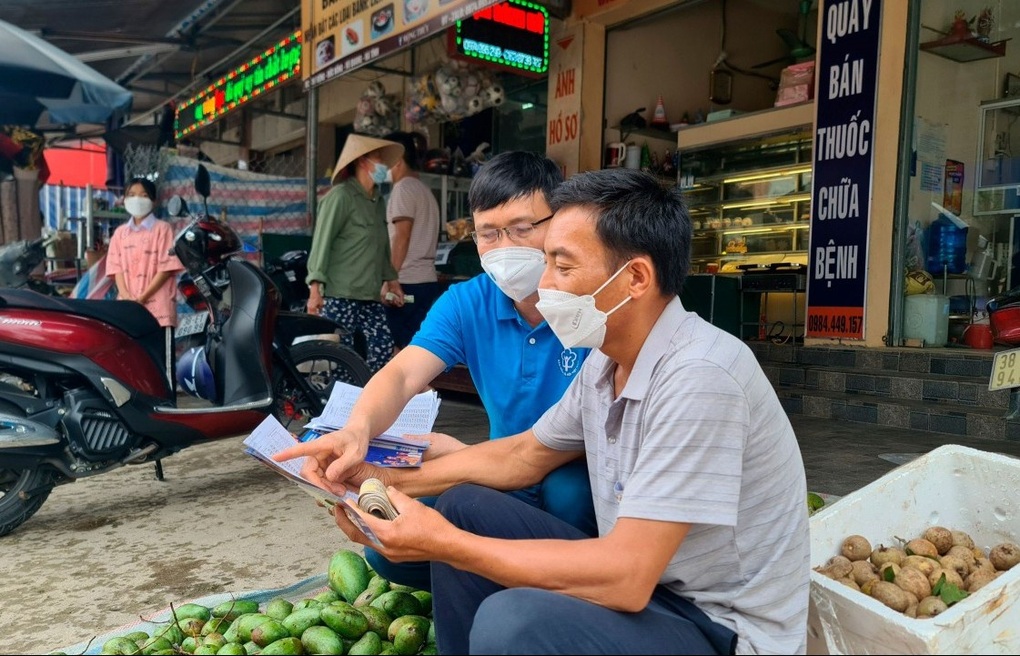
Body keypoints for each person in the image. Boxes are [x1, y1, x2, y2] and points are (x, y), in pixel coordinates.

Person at [278, 168, 810, 655]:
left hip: (717, 626)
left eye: (562, 265)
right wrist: (376, 476)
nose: (545, 283)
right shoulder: (606, 362)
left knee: (512, 621)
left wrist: (445, 543)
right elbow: (523, 455)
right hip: (658, 590)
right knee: (464, 504)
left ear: (636, 279)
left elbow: (626, 576)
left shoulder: (699, 375)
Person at [282, 151, 596, 591]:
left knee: (570, 492)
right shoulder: (468, 302)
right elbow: (403, 374)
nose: (504, 248)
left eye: (522, 229)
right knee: (387, 552)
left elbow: (547, 452)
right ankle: (516, 576)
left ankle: (567, 589)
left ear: (558, 221)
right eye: (488, 234)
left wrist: (414, 469)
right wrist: (359, 428)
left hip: (574, 470)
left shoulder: (592, 300)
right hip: (500, 468)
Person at [305, 134, 404, 373]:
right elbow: (322, 242)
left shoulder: (378, 201)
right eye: (378, 158)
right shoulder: (340, 197)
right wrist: (315, 289)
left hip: (369, 293)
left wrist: (392, 281)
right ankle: (339, 404)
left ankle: (365, 394)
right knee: (341, 356)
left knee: (382, 346)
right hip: (341, 293)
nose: (383, 165)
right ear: (362, 161)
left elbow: (382, 247)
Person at [381, 131, 441, 351]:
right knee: (416, 349)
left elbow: (402, 237)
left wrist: (390, 278)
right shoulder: (425, 190)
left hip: (405, 283)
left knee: (399, 351)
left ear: (396, 159)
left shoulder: (403, 189)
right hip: (425, 281)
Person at [105, 177, 184, 328]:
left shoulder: (163, 229)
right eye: (132, 195)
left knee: (156, 350)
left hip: (158, 310)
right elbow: (117, 270)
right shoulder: (120, 233)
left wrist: (142, 298)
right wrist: (128, 298)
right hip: (126, 309)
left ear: (154, 201)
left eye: (144, 195)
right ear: (125, 200)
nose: (137, 199)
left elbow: (166, 269)